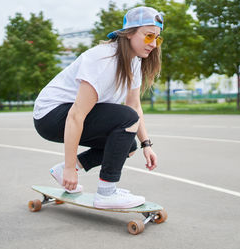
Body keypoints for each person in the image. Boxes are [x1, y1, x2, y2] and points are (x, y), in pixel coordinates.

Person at [33, 6, 163, 209]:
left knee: (128, 146)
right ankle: (106, 194)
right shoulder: (103, 59)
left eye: (157, 38)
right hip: (50, 115)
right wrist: (70, 169)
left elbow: (135, 105)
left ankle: (65, 170)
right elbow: (76, 115)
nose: (154, 44)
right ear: (129, 34)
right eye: (148, 36)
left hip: (70, 115)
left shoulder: (134, 62)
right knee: (126, 118)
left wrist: (147, 144)